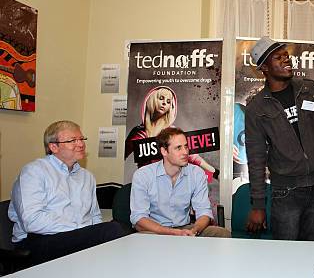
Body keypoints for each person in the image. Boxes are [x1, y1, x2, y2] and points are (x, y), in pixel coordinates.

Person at [244, 37, 314, 278]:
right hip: (286, 194)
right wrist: (258, 204)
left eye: (287, 55)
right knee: (285, 256)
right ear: (264, 67)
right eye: (278, 57)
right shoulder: (256, 108)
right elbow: (256, 158)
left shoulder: (309, 89)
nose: (287, 60)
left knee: (312, 254)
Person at [8, 120, 126, 266]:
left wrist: (89, 233)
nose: (81, 144)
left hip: (73, 238)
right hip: (37, 242)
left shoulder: (86, 176)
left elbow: (94, 216)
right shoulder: (34, 172)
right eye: (72, 140)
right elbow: (32, 221)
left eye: (82, 139)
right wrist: (82, 230)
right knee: (111, 230)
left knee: (116, 229)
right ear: (53, 147)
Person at [130, 127, 230, 238]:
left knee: (221, 233)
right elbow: (138, 217)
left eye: (186, 146)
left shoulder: (196, 173)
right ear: (164, 151)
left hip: (184, 228)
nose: (185, 152)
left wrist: (194, 230)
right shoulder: (143, 175)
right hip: (154, 230)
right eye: (178, 148)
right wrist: (172, 233)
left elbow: (204, 212)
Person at [125, 86, 218, 181]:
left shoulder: (172, 132)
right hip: (147, 184)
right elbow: (122, 155)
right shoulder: (138, 132)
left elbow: (192, 157)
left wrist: (216, 174)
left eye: (168, 101)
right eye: (161, 98)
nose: (164, 103)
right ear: (151, 99)